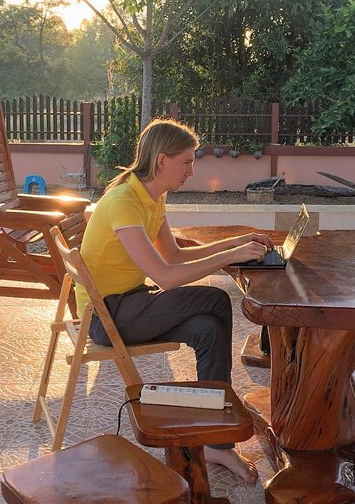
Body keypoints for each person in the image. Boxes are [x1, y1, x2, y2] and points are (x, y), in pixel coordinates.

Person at [77, 118, 272, 485]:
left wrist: (237, 244)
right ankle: (221, 419)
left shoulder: (152, 196)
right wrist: (231, 257)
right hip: (107, 317)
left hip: (130, 302)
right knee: (215, 299)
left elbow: (175, 255)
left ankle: (217, 442)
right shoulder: (124, 202)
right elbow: (165, 276)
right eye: (187, 161)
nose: (191, 170)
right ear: (162, 161)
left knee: (208, 327)